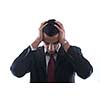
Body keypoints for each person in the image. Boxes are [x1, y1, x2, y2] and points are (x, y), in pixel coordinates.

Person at [10, 19, 93, 83]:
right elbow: (16, 71)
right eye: (46, 43)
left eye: (55, 43)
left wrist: (65, 43)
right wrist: (36, 41)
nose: (51, 48)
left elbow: (86, 73)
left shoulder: (71, 52)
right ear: (42, 39)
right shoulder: (33, 54)